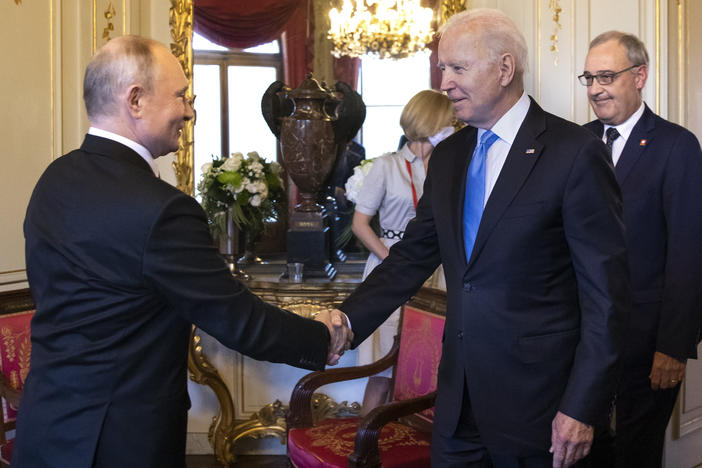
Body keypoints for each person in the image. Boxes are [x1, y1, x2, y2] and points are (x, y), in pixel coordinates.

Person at [16, 35, 352, 468]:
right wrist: (322, 337)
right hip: (123, 441)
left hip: (46, 429)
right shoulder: (163, 209)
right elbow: (238, 321)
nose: (189, 111)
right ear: (135, 99)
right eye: (180, 96)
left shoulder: (54, 180)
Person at [331, 8, 631, 468]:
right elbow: (411, 257)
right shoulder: (450, 156)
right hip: (456, 406)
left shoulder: (575, 154)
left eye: (457, 68)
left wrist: (582, 406)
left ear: (504, 68)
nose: (444, 82)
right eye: (442, 68)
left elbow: (607, 298)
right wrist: (347, 322)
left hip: (542, 410)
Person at [581, 31, 702, 468]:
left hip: (649, 341)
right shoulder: (578, 143)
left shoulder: (677, 146)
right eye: (590, 77)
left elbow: (689, 252)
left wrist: (673, 346)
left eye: (607, 76)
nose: (595, 88)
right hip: (585, 338)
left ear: (640, 76)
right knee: (584, 450)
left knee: (637, 455)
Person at [351, 89, 455, 415]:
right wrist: (393, 260)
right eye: (448, 121)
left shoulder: (448, 165)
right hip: (392, 266)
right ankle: (365, 448)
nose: (453, 126)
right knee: (382, 371)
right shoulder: (386, 166)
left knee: (430, 367)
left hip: (437, 273)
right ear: (432, 121)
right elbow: (360, 225)